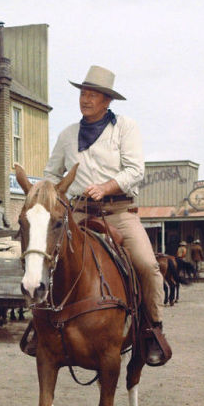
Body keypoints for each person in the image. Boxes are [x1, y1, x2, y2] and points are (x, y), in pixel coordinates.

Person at [43, 64, 171, 366]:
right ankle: (41, 327)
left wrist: (107, 186)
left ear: (107, 101)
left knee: (148, 265)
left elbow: (135, 170)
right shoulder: (67, 135)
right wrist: (47, 192)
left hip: (118, 212)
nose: (85, 99)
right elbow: (51, 172)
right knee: (47, 257)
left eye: (92, 95)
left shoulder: (125, 128)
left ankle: (153, 329)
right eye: (83, 94)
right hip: (77, 213)